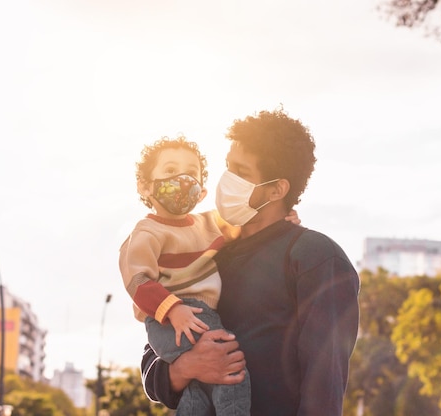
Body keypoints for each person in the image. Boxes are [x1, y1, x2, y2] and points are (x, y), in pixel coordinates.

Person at [140, 108, 361, 416]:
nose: (227, 180)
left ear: (276, 189)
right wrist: (186, 368)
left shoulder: (315, 257)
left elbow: (324, 387)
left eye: (241, 173)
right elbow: (153, 358)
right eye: (228, 167)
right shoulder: (204, 254)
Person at [119, 136, 300, 415]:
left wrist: (284, 223)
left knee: (198, 389)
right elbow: (138, 281)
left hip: (197, 315)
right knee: (232, 370)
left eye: (191, 173)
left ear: (202, 191)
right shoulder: (146, 233)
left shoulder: (208, 224)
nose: (181, 179)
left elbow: (250, 226)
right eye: (169, 171)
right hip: (172, 319)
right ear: (144, 185)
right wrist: (173, 309)